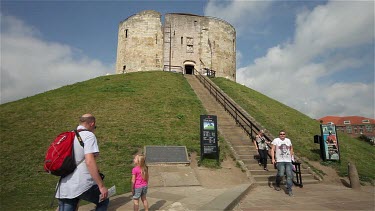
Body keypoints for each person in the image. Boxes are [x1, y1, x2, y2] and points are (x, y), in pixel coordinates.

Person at [55, 114, 109, 211]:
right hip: (82, 183)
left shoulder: (69, 135)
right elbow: (89, 161)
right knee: (103, 200)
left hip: (64, 186)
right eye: (95, 127)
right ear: (92, 124)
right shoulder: (89, 135)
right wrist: (101, 186)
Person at [271, 130, 294, 196]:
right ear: (279, 135)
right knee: (280, 174)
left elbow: (291, 148)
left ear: (285, 135)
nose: (282, 135)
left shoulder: (288, 140)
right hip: (280, 160)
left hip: (288, 160)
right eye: (281, 134)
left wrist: (291, 156)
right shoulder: (276, 140)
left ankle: (289, 189)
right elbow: (272, 149)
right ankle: (277, 183)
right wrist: (273, 158)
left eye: (283, 134)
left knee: (289, 175)